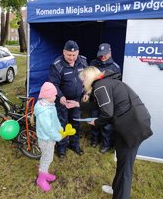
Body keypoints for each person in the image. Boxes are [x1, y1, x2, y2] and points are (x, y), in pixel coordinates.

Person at [79, 66, 141, 199]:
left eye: (83, 79)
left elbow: (107, 113)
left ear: (89, 78)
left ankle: (121, 195)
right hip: (127, 126)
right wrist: (78, 104)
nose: (82, 83)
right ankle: (116, 189)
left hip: (131, 128)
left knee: (125, 170)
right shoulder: (105, 83)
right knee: (122, 163)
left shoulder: (101, 86)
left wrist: (96, 122)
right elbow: (100, 105)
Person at [48, 40, 88, 159]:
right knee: (62, 124)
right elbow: (53, 84)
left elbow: (86, 79)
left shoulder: (83, 61)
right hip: (63, 101)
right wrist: (60, 96)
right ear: (63, 52)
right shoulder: (57, 65)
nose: (71, 57)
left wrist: (86, 92)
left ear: (78, 53)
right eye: (69, 55)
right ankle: (61, 147)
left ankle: (74, 145)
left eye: (74, 55)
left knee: (76, 121)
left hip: (76, 100)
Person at [89, 43, 121, 153]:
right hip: (95, 97)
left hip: (107, 100)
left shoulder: (115, 68)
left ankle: (106, 144)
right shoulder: (93, 64)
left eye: (105, 55)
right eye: (101, 55)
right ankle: (94, 140)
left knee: (106, 122)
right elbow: (89, 79)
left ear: (110, 52)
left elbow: (117, 86)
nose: (102, 57)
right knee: (94, 118)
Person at [34, 82, 63, 192]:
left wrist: (60, 128)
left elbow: (54, 120)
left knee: (48, 157)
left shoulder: (50, 105)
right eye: (54, 95)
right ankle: (41, 178)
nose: (56, 97)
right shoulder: (44, 111)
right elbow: (48, 128)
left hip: (50, 138)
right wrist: (57, 136)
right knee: (47, 158)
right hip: (46, 139)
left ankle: (44, 173)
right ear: (47, 96)